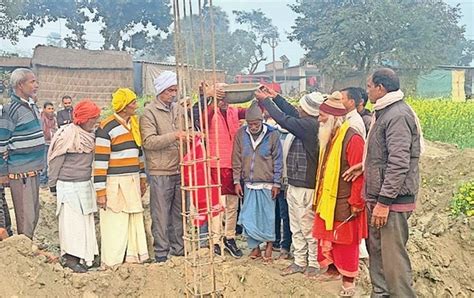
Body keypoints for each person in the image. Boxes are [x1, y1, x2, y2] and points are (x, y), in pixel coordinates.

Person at [364, 68, 422, 297]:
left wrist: (384, 202)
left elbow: (399, 163)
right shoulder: (384, 112)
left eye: (369, 86)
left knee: (393, 261)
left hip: (392, 202)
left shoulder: (397, 115)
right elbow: (383, 156)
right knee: (377, 255)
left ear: (381, 88)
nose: (367, 90)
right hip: (381, 198)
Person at [255, 87, 322, 277]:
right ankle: (300, 261)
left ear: (307, 110)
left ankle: (314, 263)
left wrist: (266, 102)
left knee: (307, 227)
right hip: (295, 183)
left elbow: (285, 119)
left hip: (306, 186)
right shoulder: (307, 121)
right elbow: (291, 113)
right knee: (296, 226)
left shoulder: (310, 126)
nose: (297, 109)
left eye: (300, 107)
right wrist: (275, 97)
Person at [310, 92, 367, 297]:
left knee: (346, 243)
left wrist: (356, 202)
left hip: (345, 201)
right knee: (329, 239)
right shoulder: (331, 136)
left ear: (333, 118)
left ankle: (349, 281)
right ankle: (333, 270)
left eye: (322, 115)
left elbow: (359, 175)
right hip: (329, 199)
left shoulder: (352, 137)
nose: (319, 119)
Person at [94, 88, 149, 267]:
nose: (136, 105)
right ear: (124, 106)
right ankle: (111, 262)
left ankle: (133, 258)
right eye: (133, 102)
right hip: (115, 182)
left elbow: (139, 155)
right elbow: (100, 162)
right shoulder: (106, 127)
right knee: (114, 223)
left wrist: (142, 178)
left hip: (132, 180)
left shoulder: (134, 124)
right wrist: (100, 192)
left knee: (134, 219)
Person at [192, 82, 245, 258]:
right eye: (221, 96)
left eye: (226, 96)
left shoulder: (234, 111)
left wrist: (259, 97)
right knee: (218, 205)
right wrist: (210, 99)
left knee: (232, 205)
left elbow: (254, 111)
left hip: (234, 165)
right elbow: (200, 119)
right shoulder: (210, 112)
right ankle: (215, 239)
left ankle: (229, 236)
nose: (224, 100)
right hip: (215, 165)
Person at [48, 100, 101, 273]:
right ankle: (71, 258)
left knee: (85, 222)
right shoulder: (67, 134)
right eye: (93, 118)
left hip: (85, 184)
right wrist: (53, 184)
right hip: (68, 186)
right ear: (84, 119)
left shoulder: (91, 135)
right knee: (72, 223)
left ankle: (86, 257)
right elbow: (55, 161)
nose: (96, 120)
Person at [140, 71, 185, 263]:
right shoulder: (149, 112)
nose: (173, 94)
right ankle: (161, 252)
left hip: (179, 168)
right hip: (160, 170)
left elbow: (187, 129)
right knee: (160, 214)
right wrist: (175, 136)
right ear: (161, 91)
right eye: (170, 90)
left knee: (179, 213)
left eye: (175, 90)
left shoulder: (179, 109)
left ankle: (179, 248)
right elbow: (148, 141)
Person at [232, 100, 283, 262]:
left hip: (267, 184)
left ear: (261, 121)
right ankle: (255, 249)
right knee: (248, 218)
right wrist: (236, 181)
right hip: (248, 183)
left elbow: (278, 160)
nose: (253, 127)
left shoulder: (272, 134)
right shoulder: (241, 134)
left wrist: (277, 183)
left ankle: (268, 247)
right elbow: (236, 159)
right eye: (250, 124)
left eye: (256, 124)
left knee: (267, 218)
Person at [0, 68, 45, 239]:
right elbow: (2, 143)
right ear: (20, 85)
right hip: (21, 172)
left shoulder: (32, 106)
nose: (36, 85)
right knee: (25, 216)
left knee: (33, 213)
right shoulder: (10, 110)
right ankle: (24, 248)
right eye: (32, 82)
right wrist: (3, 173)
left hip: (34, 169)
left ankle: (28, 247)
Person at [39, 102, 58, 188]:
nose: (51, 110)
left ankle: (47, 180)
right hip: (43, 143)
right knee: (43, 163)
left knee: (50, 162)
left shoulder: (54, 118)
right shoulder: (40, 118)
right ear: (44, 109)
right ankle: (42, 181)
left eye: (52, 109)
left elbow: (55, 128)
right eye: (49, 109)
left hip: (51, 142)